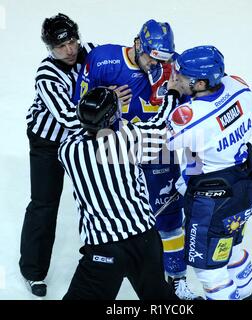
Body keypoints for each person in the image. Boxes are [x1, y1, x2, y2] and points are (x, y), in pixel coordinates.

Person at [73, 19, 199, 300]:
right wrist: (109, 98)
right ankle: (115, 260)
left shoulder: (171, 66)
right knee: (122, 211)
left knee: (169, 216)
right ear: (138, 43)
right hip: (118, 149)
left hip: (157, 148)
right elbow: (79, 106)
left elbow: (194, 100)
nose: (156, 65)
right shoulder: (103, 59)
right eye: (151, 58)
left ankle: (176, 277)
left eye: (162, 60)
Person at [58, 86, 179, 300]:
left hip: (104, 248)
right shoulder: (129, 137)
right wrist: (172, 93)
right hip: (145, 240)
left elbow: (84, 131)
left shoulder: (67, 151)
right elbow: (161, 127)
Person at [164, 45, 252, 300]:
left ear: (200, 83)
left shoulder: (190, 116)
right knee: (234, 248)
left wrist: (173, 94)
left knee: (210, 273)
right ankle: (247, 295)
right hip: (245, 183)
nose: (176, 78)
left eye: (182, 76)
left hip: (214, 199)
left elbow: (167, 140)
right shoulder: (238, 85)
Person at [20, 13, 97, 297]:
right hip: (48, 143)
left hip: (83, 137)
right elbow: (67, 117)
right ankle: (33, 271)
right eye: (61, 46)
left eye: (72, 41)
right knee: (44, 204)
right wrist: (110, 100)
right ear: (49, 48)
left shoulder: (89, 52)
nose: (70, 50)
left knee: (97, 197)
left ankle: (98, 258)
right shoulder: (46, 74)